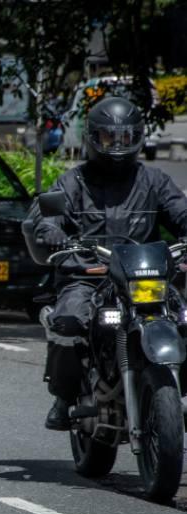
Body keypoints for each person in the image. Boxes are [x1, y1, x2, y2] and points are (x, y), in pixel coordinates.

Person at [30, 96, 187, 430]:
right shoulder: (74, 182)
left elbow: (180, 212)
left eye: (125, 138)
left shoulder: (154, 181)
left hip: (143, 277)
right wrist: (53, 232)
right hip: (89, 274)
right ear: (92, 138)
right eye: (108, 138)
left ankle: (173, 388)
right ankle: (64, 395)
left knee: (184, 317)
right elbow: (48, 218)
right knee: (69, 320)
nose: (117, 146)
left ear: (138, 138)